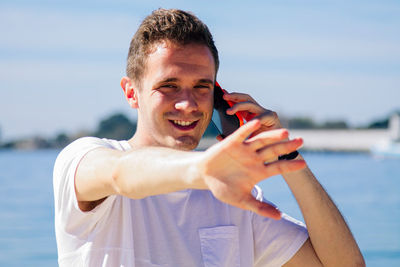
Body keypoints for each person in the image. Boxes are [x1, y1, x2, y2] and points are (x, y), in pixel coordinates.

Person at [53, 8, 365, 267]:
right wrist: (201, 170)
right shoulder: (83, 158)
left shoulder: (233, 198)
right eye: (169, 86)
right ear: (131, 92)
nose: (188, 104)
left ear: (218, 97)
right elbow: (120, 173)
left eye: (202, 86)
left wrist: (286, 156)